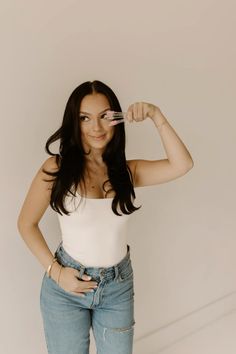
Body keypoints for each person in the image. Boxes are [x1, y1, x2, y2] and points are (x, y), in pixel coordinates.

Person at [17, 80, 194, 354]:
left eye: (104, 117)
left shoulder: (127, 172)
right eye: (85, 118)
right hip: (66, 288)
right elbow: (26, 224)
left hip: (117, 288)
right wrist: (56, 272)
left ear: (117, 119)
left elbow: (182, 164)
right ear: (74, 123)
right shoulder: (56, 168)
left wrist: (155, 116)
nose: (96, 128)